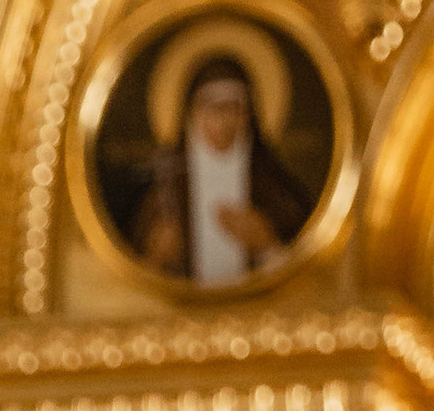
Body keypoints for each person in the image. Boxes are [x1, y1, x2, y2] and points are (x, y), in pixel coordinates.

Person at [135, 54, 315, 284]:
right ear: (192, 114)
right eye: (213, 108)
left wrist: (268, 245)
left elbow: (312, 273)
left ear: (249, 116)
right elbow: (131, 276)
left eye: (236, 109)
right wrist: (157, 257)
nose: (224, 122)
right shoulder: (163, 186)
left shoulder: (273, 184)